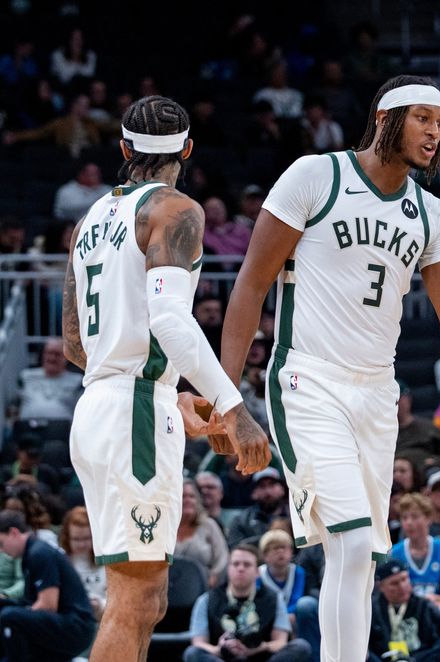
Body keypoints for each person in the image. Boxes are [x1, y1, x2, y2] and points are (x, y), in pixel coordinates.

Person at [217, 74, 440, 662]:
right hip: (309, 378)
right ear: (385, 118)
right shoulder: (315, 176)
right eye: (423, 118)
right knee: (347, 542)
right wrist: (227, 396)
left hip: (376, 396)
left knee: (364, 557)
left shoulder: (431, 213)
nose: (434, 132)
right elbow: (250, 286)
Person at [60, 94, 270, 662]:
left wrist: (165, 393)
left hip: (100, 407)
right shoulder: (176, 210)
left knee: (139, 599)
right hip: (131, 412)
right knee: (137, 600)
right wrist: (234, 407)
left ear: (123, 149)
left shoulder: (87, 222)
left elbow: (76, 344)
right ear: (189, 149)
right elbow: (171, 318)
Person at [184, 543, 312, 662]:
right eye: (235, 564)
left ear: (257, 572)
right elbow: (198, 642)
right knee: (192, 653)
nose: (240, 569)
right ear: (228, 569)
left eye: (247, 564)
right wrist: (219, 649)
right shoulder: (207, 600)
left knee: (301, 646)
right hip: (223, 658)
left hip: (261, 657)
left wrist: (261, 647)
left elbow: (280, 641)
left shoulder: (273, 598)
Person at [0, 510, 95, 661]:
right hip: (64, 623)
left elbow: (47, 605)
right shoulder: (31, 554)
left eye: (1, 543)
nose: (2, 550)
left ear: (14, 533)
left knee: (9, 616)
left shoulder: (39, 553)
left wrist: (18, 611)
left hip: (76, 626)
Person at [369, 559, 440, 662]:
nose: (402, 587)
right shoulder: (372, 609)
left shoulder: (424, 605)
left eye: (404, 579)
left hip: (419, 658)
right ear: (381, 587)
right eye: (394, 583)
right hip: (385, 657)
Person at [390, 493, 440, 628]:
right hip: (406, 609)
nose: (409, 523)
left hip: (437, 607)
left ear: (428, 518)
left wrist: (427, 600)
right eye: (405, 518)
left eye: (415, 517)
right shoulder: (393, 553)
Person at [176, 479, 229, 587]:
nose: (187, 500)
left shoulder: (209, 525)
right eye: (183, 496)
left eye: (192, 496)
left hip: (204, 588)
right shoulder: (164, 528)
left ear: (198, 500)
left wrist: (213, 579)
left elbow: (222, 559)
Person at [16, 337, 83, 421]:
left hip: (62, 431)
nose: (52, 358)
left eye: (57, 354)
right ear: (43, 354)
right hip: (28, 430)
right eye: (49, 353)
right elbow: (14, 405)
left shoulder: (77, 381)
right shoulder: (25, 377)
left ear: (67, 357)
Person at [59, 505, 107, 621]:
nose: (81, 545)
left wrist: (99, 605)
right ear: (67, 537)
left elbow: (116, 601)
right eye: (76, 539)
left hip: (101, 620)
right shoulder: (60, 559)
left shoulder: (106, 560)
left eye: (86, 539)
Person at [227, 467, 289, 548]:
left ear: (282, 489)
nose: (268, 491)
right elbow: (235, 548)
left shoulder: (294, 517)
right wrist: (270, 536)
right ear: (253, 493)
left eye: (272, 484)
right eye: (262, 486)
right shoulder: (242, 520)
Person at [257, 529, 307, 619]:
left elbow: (296, 599)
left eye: (283, 547)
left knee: (305, 604)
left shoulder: (297, 572)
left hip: (291, 617)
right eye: (275, 548)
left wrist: (285, 616)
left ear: (291, 551)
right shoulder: (258, 574)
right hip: (268, 618)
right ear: (265, 555)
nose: (280, 551)